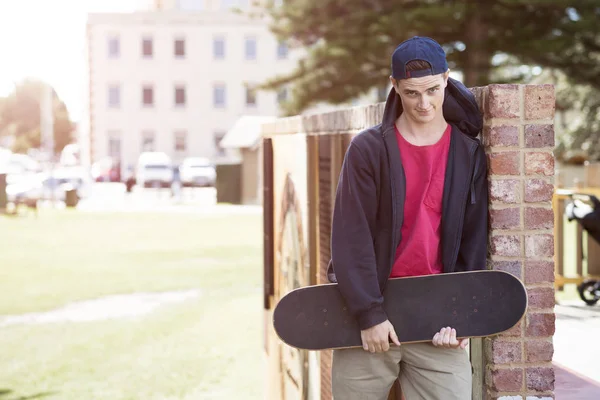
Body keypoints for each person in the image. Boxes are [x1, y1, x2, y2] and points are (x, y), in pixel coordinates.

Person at [327, 36, 489, 399]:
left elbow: (473, 239)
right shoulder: (367, 150)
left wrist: (461, 313)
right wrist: (369, 314)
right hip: (369, 321)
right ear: (395, 86)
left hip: (438, 325)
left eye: (433, 90)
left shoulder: (467, 153)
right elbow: (351, 237)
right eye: (412, 92)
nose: (424, 103)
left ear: (447, 78)